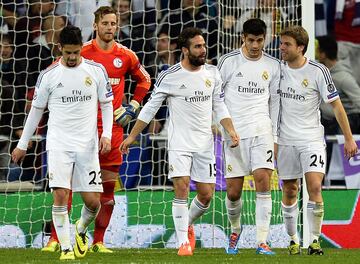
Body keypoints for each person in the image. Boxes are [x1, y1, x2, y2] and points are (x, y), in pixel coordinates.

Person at [119, 27, 239, 256]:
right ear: (184, 50)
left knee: (206, 195)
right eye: (197, 46)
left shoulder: (213, 73)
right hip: (179, 143)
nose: (203, 50)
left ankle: (187, 224)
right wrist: (132, 135)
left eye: (203, 45)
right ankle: (183, 242)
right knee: (182, 186)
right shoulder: (169, 76)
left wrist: (230, 129)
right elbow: (150, 108)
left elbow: (220, 105)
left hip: (204, 143)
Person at [42, 6, 151, 254]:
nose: (110, 28)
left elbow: (145, 80)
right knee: (64, 186)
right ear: (96, 25)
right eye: (105, 23)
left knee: (107, 192)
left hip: (112, 133)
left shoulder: (126, 55)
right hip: (81, 132)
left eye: (114, 24)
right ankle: (55, 239)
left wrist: (133, 106)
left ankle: (97, 241)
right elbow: (55, 77)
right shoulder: (83, 52)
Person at [11, 25, 114, 260]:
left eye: (76, 52)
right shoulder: (49, 75)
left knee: (93, 202)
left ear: (81, 49)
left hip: (87, 146)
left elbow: (107, 104)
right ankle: (66, 249)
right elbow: (36, 111)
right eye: (68, 52)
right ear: (60, 49)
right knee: (60, 194)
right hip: (58, 143)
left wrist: (106, 134)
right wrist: (23, 144)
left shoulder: (96, 71)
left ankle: (79, 230)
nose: (72, 57)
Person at [277, 25, 358, 255]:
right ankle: (293, 239)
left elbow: (337, 106)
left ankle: (314, 241)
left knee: (314, 186)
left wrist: (349, 139)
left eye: (287, 44)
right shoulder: (277, 70)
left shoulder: (318, 71)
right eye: (281, 43)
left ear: (300, 47)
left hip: (311, 138)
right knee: (291, 190)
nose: (281, 48)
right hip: (285, 140)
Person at [217, 18, 280, 255]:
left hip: (261, 130)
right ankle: (235, 230)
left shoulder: (273, 65)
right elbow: (217, 98)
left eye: (260, 40)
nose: (255, 45)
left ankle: (262, 241)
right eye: (251, 40)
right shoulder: (228, 62)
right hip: (234, 134)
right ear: (243, 37)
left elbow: (275, 104)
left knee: (263, 181)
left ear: (266, 38)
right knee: (234, 191)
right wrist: (222, 126)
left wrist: (274, 136)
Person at [317, 35, 360, 134]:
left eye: (316, 49)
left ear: (323, 54)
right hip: (326, 121)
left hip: (344, 125)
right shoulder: (319, 72)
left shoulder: (344, 78)